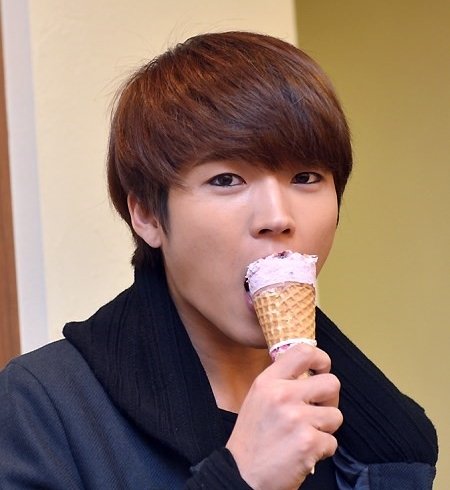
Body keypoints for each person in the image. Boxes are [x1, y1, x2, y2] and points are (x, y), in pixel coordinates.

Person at [0, 31, 437, 489]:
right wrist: (241, 477)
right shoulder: (44, 407)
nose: (277, 217)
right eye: (227, 180)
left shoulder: (379, 438)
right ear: (147, 215)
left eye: (306, 177)